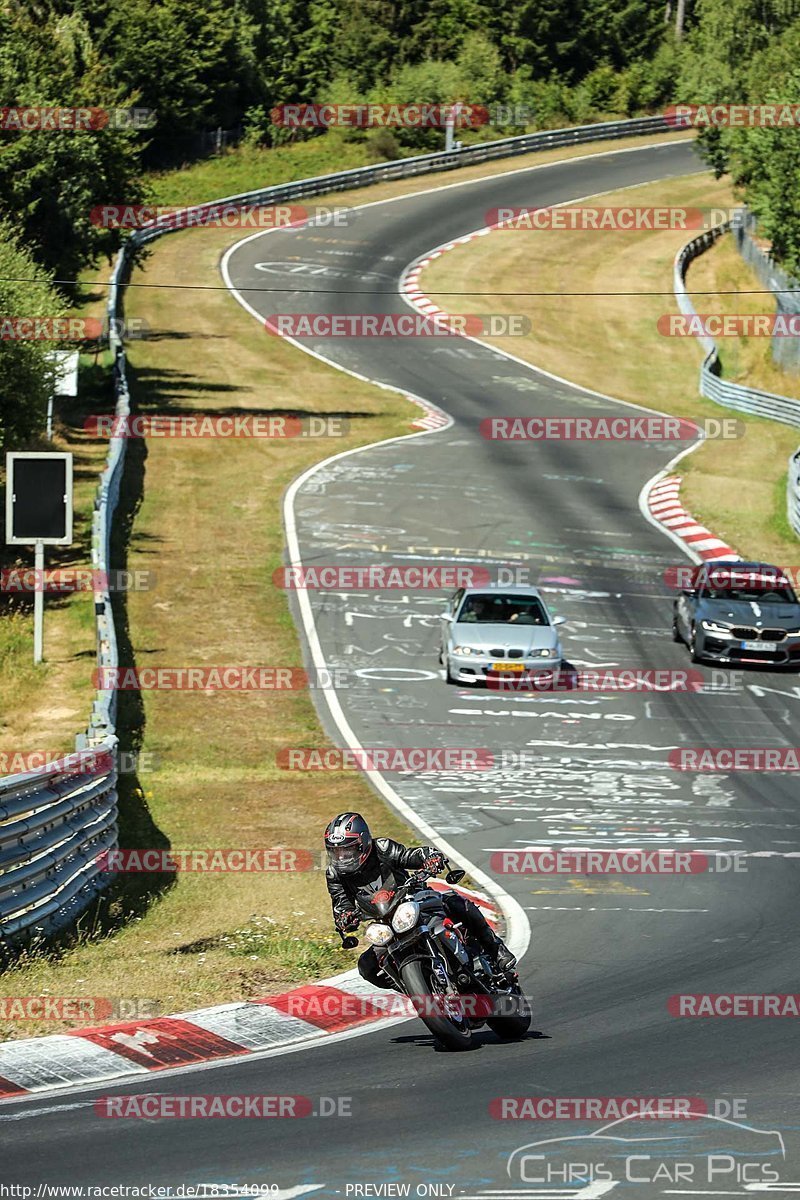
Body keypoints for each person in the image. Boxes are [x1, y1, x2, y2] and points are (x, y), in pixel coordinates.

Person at [324, 811, 517, 989]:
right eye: (336, 852)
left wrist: (429, 857)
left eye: (347, 850)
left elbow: (408, 855)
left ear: (363, 843)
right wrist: (345, 918)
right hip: (384, 922)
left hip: (413, 899)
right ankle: (414, 988)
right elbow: (341, 904)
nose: (342, 857)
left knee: (455, 902)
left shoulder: (382, 847)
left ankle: (496, 949)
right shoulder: (334, 874)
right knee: (366, 967)